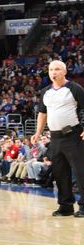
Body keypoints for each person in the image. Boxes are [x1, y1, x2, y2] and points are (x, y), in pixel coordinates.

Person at [31, 60, 84, 217]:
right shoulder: (45, 92)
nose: (54, 72)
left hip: (73, 135)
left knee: (81, 172)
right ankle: (65, 206)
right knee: (60, 172)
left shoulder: (75, 88)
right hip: (55, 137)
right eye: (51, 69)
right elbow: (42, 113)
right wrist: (38, 132)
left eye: (57, 69)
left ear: (65, 71)